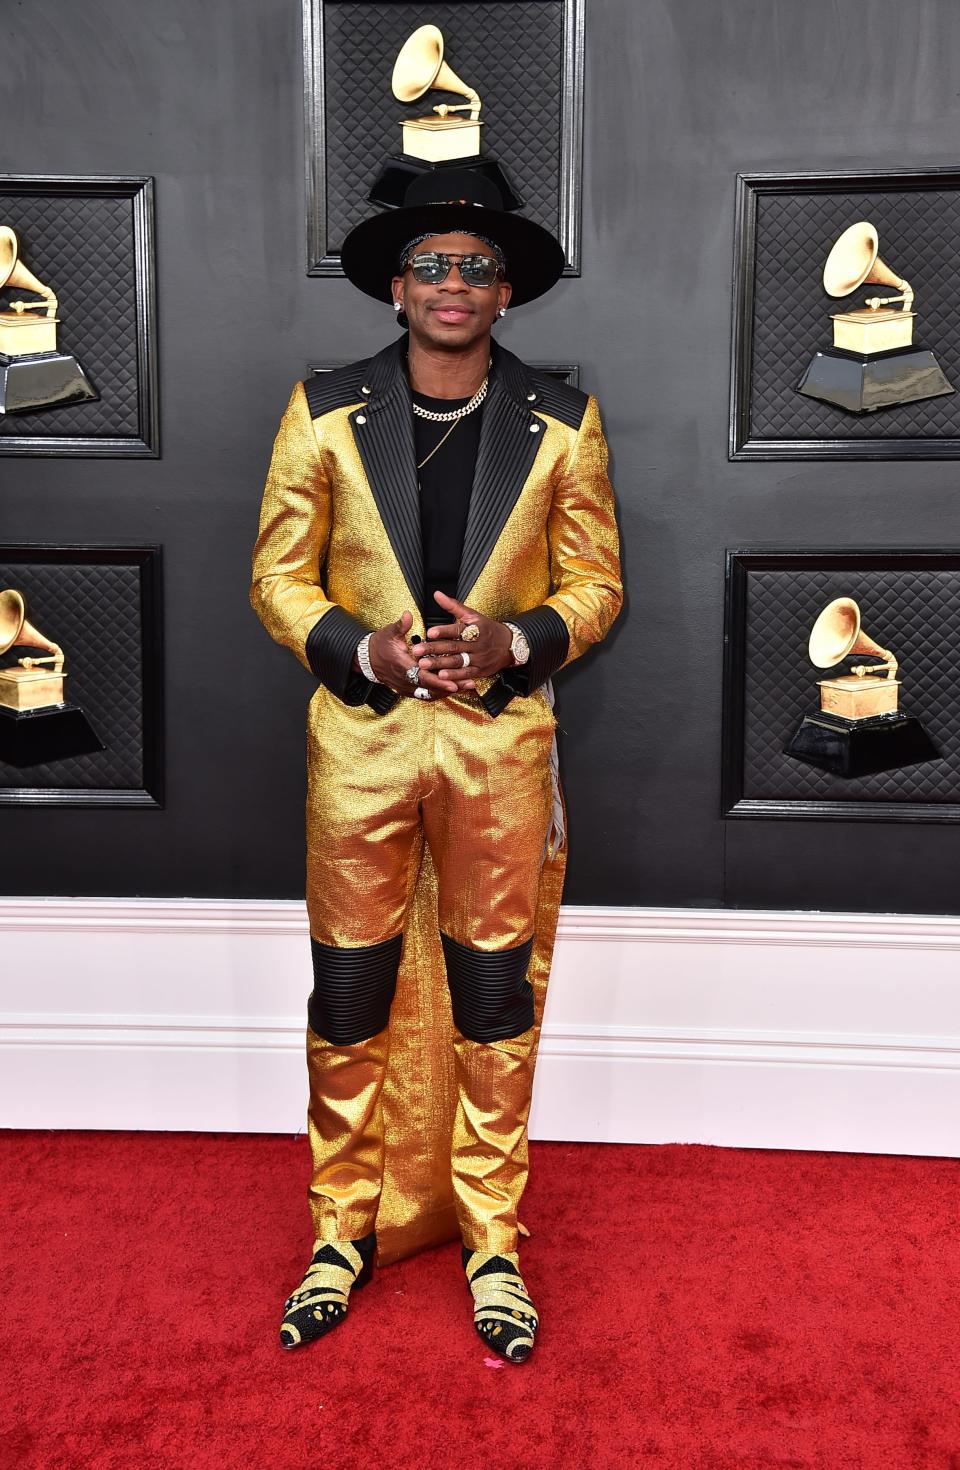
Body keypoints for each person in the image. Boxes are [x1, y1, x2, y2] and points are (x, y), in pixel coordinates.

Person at [250, 169, 622, 1364]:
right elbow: (276, 578)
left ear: (505, 292)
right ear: (397, 286)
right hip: (357, 748)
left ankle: (494, 1236)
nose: (452, 284)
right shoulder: (320, 410)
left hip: (498, 751)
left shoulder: (563, 420)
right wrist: (364, 646)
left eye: (474, 267)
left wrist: (516, 639)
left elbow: (598, 586)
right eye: (432, 265)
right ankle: (338, 1226)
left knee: (493, 997)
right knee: (348, 995)